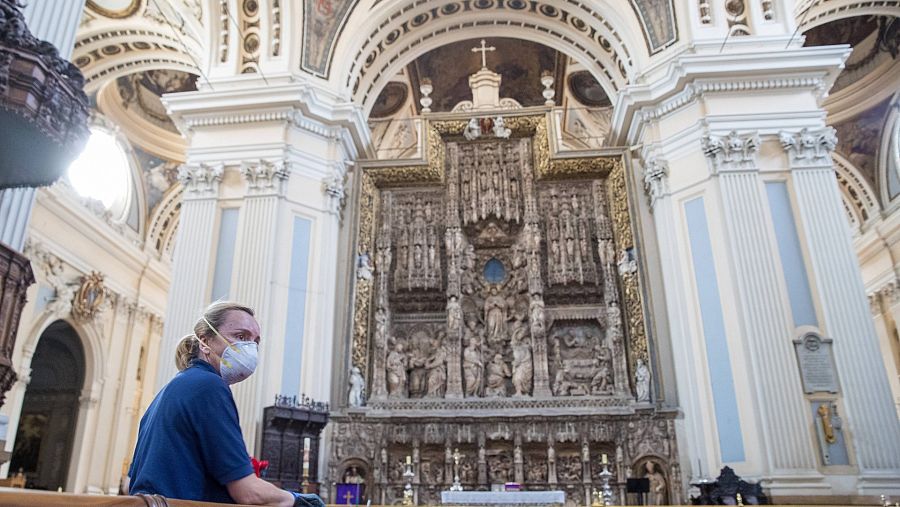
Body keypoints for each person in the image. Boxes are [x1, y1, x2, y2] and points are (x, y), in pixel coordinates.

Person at [128, 301, 323, 507]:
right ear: (205, 341)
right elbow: (248, 493)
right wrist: (297, 500)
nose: (250, 348)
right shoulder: (208, 386)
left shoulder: (170, 390)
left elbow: (130, 481)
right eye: (241, 337)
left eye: (255, 342)